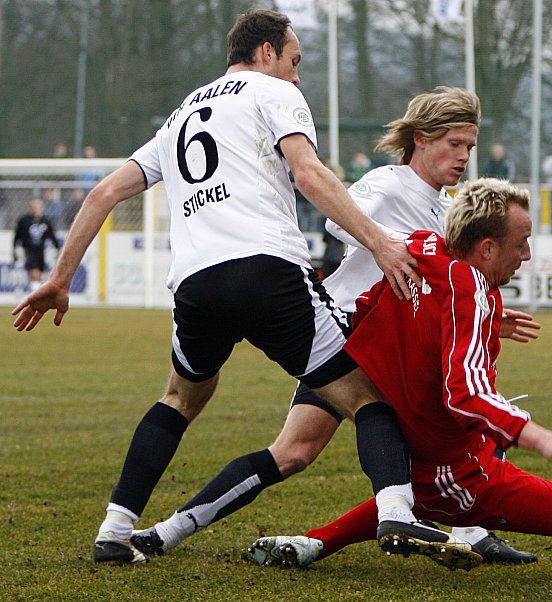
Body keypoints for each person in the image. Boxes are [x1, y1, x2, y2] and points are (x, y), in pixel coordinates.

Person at [12, 9, 459, 567]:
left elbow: (104, 192)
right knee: (368, 394)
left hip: (195, 285)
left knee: (180, 397)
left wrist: (59, 278)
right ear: (267, 52)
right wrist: (382, 242)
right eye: (295, 61)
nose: (297, 76)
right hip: (268, 272)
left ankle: (115, 527)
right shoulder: (273, 94)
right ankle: (396, 511)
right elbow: (309, 174)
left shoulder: (180, 115)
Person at [128, 87, 541, 566]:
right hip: (345, 333)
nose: (464, 156)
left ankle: (464, 528)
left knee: (316, 448)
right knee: (295, 451)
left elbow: (438, 284)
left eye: (469, 146)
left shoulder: (445, 207)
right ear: (421, 140)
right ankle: (168, 531)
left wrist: (480, 316)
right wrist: (410, 245)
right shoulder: (388, 183)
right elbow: (339, 224)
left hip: (391, 347)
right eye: (454, 143)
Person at [248, 179, 552, 579]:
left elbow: (373, 304)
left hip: (414, 455)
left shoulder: (425, 248)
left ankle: (314, 542)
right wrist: (536, 435)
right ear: (488, 247)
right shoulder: (473, 292)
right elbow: (465, 395)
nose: (527, 254)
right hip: (457, 475)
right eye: (522, 242)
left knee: (424, 489)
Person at [13, 197, 60, 291]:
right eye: (34, 206)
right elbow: (17, 236)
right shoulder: (24, 221)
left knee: (39, 275)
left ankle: (36, 292)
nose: (36, 209)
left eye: (38, 206)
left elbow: (52, 236)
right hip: (29, 250)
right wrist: (15, 249)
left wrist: (57, 249)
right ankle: (35, 294)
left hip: (41, 251)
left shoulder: (46, 221)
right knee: (34, 273)